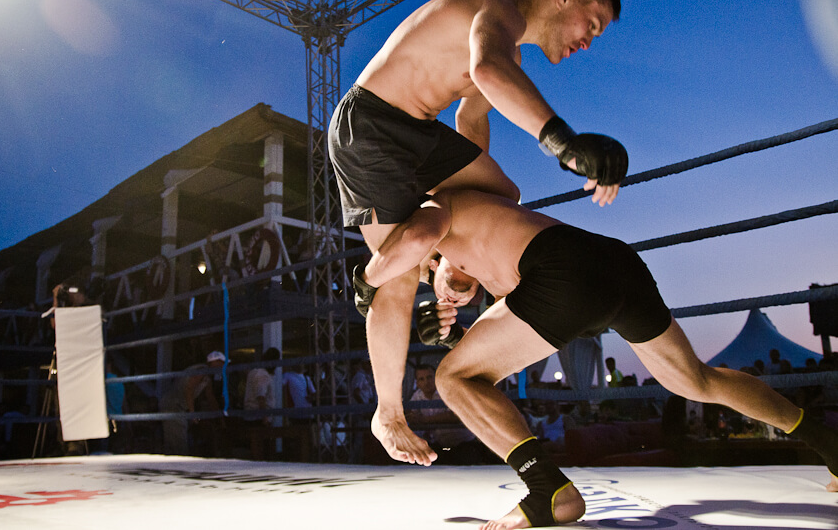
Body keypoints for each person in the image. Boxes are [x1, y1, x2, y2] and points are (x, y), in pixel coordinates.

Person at [359, 188, 838, 528]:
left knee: (452, 378)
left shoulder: (442, 218)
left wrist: (369, 280)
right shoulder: (499, 271)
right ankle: (829, 444)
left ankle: (548, 489)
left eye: (450, 285)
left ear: (433, 263)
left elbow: (420, 229)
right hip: (613, 264)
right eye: (457, 297)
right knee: (695, 380)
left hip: (566, 269)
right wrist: (455, 339)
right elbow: (505, 358)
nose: (456, 293)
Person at [332, 0, 628, 467]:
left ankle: (441, 270)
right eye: (592, 25)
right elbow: (489, 72)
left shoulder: (511, 46)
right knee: (396, 276)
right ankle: (388, 413)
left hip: (419, 132)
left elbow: (471, 118)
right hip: (372, 126)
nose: (587, 42)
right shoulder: (500, 9)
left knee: (502, 193)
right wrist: (563, 143)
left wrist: (461, 247)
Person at [407, 363, 483, 464]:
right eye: (421, 379)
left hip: (465, 444)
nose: (426, 382)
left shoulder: (448, 391)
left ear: (436, 378)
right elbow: (411, 416)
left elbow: (454, 416)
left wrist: (423, 420)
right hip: (440, 445)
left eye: (429, 377)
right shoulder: (417, 396)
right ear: (417, 383)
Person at [160, 350, 225, 455]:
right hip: (173, 406)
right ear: (214, 362)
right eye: (221, 363)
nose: (223, 367)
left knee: (175, 440)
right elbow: (189, 389)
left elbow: (210, 397)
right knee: (178, 442)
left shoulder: (207, 378)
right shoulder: (201, 370)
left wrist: (220, 417)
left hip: (178, 407)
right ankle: (179, 463)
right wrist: (192, 413)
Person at [244, 347, 280, 426]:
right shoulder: (262, 375)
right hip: (258, 419)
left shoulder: (254, 372)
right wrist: (265, 419)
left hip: (253, 417)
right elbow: (261, 397)